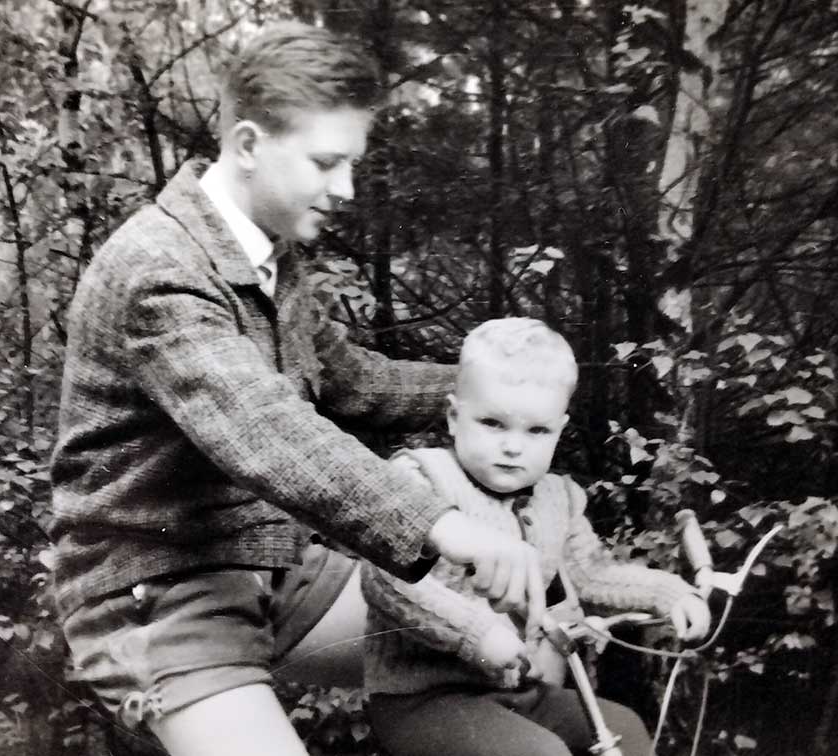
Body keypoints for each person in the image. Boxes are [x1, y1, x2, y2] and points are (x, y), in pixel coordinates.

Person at [48, 22, 545, 756]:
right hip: (157, 594)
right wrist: (443, 523)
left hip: (276, 575)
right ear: (248, 144)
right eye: (326, 163)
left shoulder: (270, 256)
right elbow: (267, 431)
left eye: (352, 164)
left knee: (504, 647)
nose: (344, 188)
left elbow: (352, 381)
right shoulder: (161, 268)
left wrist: (501, 395)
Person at [361, 317, 712, 756]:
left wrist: (669, 595)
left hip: (518, 693)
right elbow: (384, 580)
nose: (513, 446)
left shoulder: (558, 497)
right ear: (454, 417)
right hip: (423, 697)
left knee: (625, 729)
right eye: (493, 423)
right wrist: (478, 632)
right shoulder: (422, 478)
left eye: (536, 431)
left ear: (559, 431)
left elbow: (591, 574)